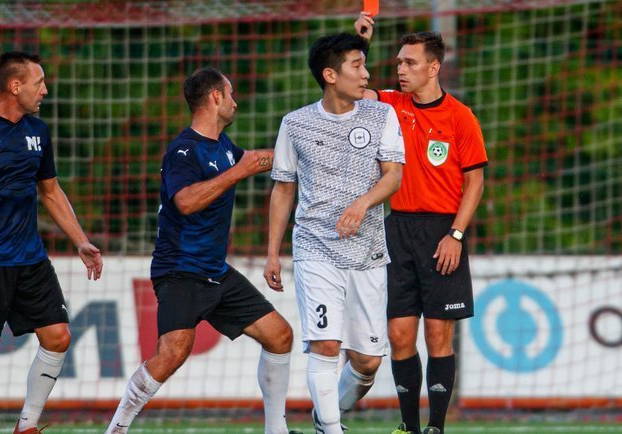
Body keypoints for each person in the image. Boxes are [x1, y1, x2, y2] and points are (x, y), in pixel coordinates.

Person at [105, 66, 302, 434]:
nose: (235, 102)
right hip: (181, 270)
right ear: (215, 97)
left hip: (215, 272)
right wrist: (238, 172)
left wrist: (307, 153)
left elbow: (257, 160)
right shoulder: (184, 150)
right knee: (172, 353)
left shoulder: (223, 146)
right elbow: (185, 201)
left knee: (280, 336)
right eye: (230, 94)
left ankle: (276, 430)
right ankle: (116, 429)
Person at [0, 51, 104, 434]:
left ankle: (26, 426)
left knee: (58, 337)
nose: (45, 90)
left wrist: (81, 241)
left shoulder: (38, 131)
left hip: (31, 258)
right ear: (15, 86)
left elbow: (50, 191)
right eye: (39, 82)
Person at [264, 33, 405, 434]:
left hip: (368, 253)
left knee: (367, 363)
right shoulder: (295, 123)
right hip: (315, 249)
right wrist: (273, 253)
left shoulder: (381, 115)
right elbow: (284, 188)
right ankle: (331, 427)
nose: (366, 74)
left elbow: (393, 176)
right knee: (325, 345)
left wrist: (361, 204)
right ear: (330, 75)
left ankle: (325, 415)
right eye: (356, 66)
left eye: (365, 65)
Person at [355, 14, 488, 434]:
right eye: (399, 62)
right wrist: (360, 45)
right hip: (397, 229)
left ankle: (436, 428)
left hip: (442, 232)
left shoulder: (460, 117)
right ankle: (408, 427)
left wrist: (456, 235)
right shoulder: (392, 105)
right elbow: (351, 89)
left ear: (433, 67)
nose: (401, 69)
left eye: (410, 62)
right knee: (398, 335)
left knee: (437, 335)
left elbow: (475, 181)